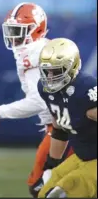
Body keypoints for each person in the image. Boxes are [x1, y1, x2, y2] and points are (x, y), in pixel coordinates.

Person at [0, 2, 73, 197]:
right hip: (64, 124)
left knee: (41, 185)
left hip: (67, 127)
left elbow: (39, 101)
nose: (13, 36)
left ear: (36, 29)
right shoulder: (42, 48)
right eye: (11, 30)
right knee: (56, 183)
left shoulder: (36, 53)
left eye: (18, 30)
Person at [37, 38, 97, 198]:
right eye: (46, 71)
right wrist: (52, 164)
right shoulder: (45, 89)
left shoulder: (85, 89)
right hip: (82, 156)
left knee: (61, 194)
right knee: (43, 193)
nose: (49, 77)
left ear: (72, 67)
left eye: (56, 71)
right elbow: (59, 128)